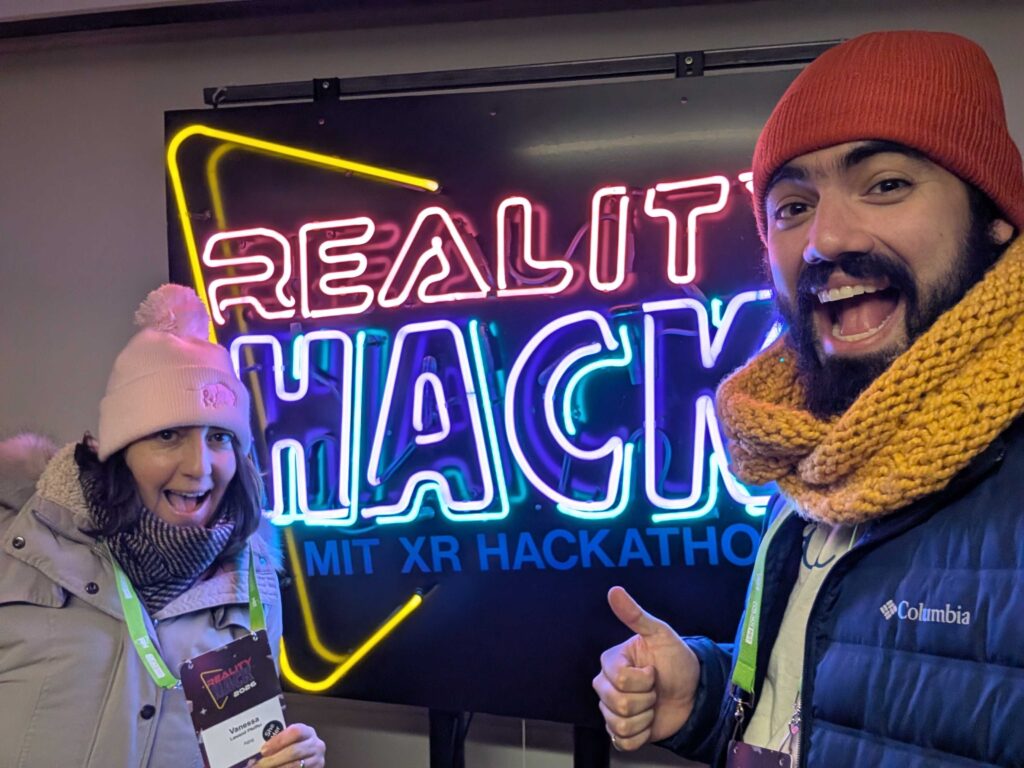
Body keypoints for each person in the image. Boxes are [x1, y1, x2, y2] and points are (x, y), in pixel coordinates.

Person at [593, 30, 1024, 767]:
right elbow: (831, 695)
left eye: (886, 184)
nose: (825, 238)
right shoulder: (813, 448)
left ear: (995, 217)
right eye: (792, 206)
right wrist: (706, 694)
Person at [0, 284, 327, 768]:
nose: (200, 466)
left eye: (219, 437)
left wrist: (285, 760)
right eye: (168, 435)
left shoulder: (253, 582)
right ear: (119, 451)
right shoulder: (18, 546)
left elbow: (237, 755)